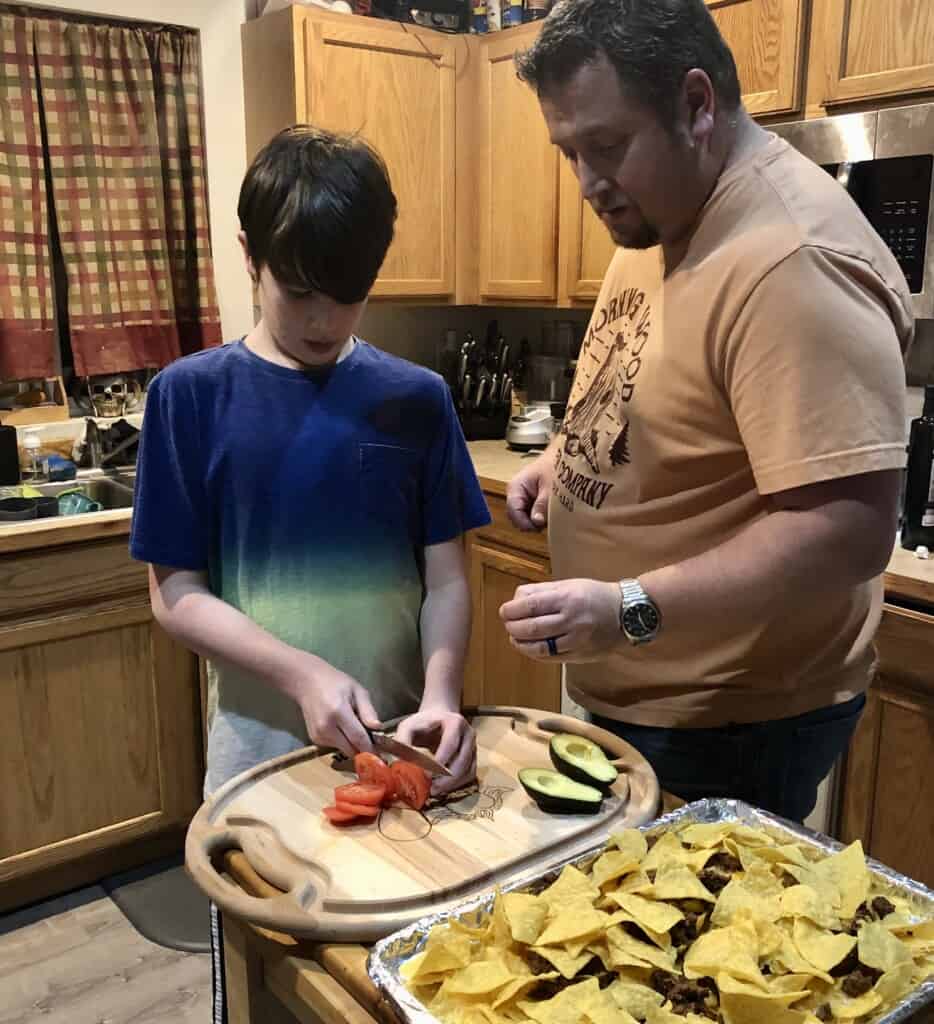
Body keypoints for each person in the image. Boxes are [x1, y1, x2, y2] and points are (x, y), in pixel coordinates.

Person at [500, 0, 912, 823]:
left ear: (696, 105)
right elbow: (665, 386)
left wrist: (630, 607)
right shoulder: (665, 215)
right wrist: (572, 457)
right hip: (650, 699)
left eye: (606, 146)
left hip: (730, 725)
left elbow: (847, 528)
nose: (586, 182)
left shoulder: (791, 260)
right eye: (568, 151)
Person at [129, 125, 490, 1021]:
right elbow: (175, 594)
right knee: (269, 999)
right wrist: (304, 673)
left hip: (407, 764)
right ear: (249, 255)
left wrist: (443, 693)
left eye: (351, 294)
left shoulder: (418, 399)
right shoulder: (190, 396)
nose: (326, 320)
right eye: (300, 292)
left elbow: (446, 577)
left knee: (390, 994)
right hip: (257, 770)